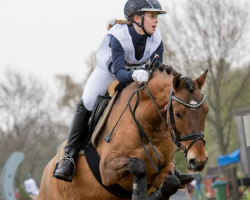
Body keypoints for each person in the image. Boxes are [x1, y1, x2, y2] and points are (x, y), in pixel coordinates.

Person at [53, 0, 194, 185]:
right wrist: (135, 73)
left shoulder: (157, 38)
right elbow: (119, 72)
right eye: (152, 16)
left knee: (159, 103)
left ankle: (170, 164)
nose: (156, 21)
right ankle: (69, 156)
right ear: (137, 18)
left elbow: (157, 69)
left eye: (156, 17)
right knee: (87, 100)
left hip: (140, 74)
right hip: (109, 72)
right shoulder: (118, 36)